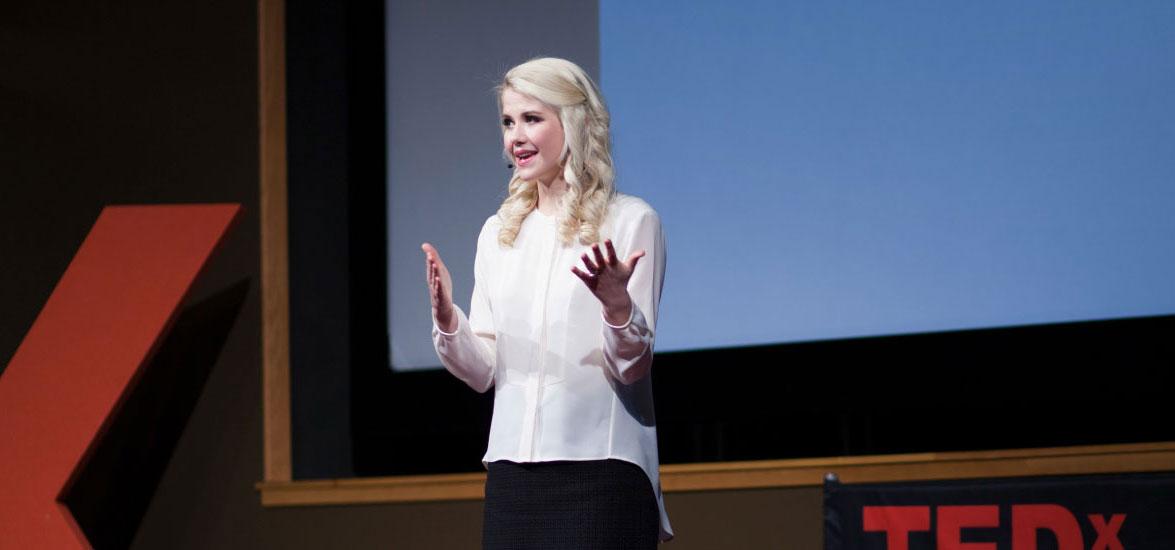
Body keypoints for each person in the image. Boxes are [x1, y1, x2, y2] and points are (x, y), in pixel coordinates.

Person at [421, 57, 672, 548]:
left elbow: (632, 369)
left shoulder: (630, 222)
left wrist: (618, 308)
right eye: (508, 121)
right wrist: (450, 321)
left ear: (574, 122)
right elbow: (483, 372)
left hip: (602, 474)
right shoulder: (499, 234)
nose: (516, 135)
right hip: (513, 478)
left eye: (532, 119)